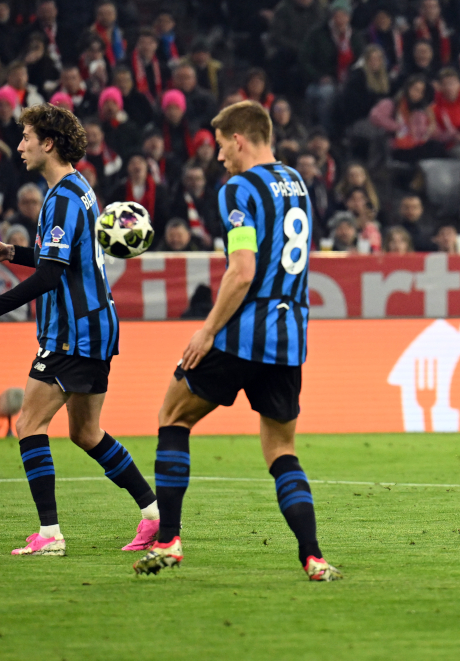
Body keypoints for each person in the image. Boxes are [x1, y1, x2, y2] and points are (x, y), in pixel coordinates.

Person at [132, 101, 340, 582]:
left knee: (173, 416)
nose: (219, 155)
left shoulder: (237, 189)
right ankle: (313, 556)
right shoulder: (298, 184)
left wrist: (207, 330)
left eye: (222, 144)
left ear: (240, 139)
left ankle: (169, 540)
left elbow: (242, 270)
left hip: (242, 333)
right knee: (281, 450)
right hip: (290, 338)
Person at [0, 103, 159, 557]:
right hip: (97, 328)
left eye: (26, 137)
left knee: (28, 423)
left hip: (72, 334)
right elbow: (58, 259)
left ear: (48, 143)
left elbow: (50, 277)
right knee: (86, 434)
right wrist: (13, 252)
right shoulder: (79, 190)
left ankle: (49, 534)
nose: (20, 145)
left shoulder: (63, 197)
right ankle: (153, 515)